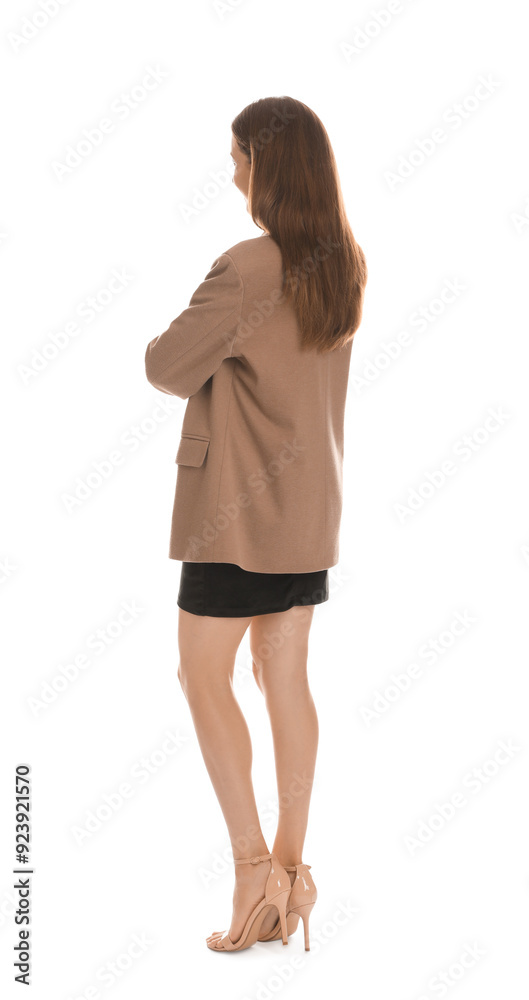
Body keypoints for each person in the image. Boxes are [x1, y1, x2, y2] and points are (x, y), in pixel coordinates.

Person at [144, 95, 367, 952]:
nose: (231, 169)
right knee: (285, 679)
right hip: (308, 511)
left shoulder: (247, 267)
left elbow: (165, 366)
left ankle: (250, 874)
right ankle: (291, 869)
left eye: (238, 155)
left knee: (202, 677)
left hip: (237, 515)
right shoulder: (343, 263)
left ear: (265, 166)